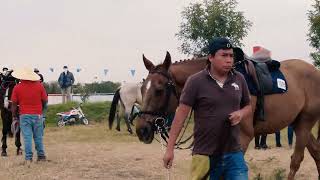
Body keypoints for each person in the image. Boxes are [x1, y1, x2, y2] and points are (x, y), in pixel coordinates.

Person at [163, 37, 252, 179]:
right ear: (211, 57)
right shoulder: (195, 81)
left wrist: (241, 114)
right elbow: (180, 116)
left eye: (231, 56)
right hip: (204, 155)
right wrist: (169, 149)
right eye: (224, 55)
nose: (229, 60)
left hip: (234, 153)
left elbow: (248, 106)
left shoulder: (239, 79)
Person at [11, 68, 48, 165]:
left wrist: (14, 116)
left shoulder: (17, 87)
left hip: (24, 115)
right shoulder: (40, 86)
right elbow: (45, 101)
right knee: (38, 137)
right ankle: (41, 156)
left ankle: (28, 158)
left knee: (27, 137)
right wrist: (42, 111)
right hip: (38, 115)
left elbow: (14, 104)